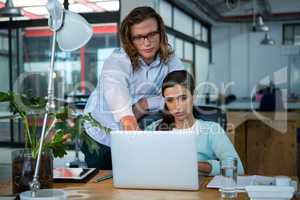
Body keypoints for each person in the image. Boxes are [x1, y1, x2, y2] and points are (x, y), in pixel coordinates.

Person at [82, 6, 183, 169]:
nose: (147, 42)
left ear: (161, 33)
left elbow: (182, 91)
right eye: (139, 37)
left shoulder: (170, 60)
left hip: (136, 127)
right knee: (103, 186)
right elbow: (116, 90)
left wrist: (146, 103)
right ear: (130, 39)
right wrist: (129, 118)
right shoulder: (118, 60)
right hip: (99, 132)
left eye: (152, 34)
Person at [146, 70, 244, 176]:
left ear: (194, 96)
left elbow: (237, 169)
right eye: (170, 100)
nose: (177, 107)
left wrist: (198, 166)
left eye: (183, 98)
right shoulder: (153, 129)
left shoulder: (211, 130)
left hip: (199, 190)